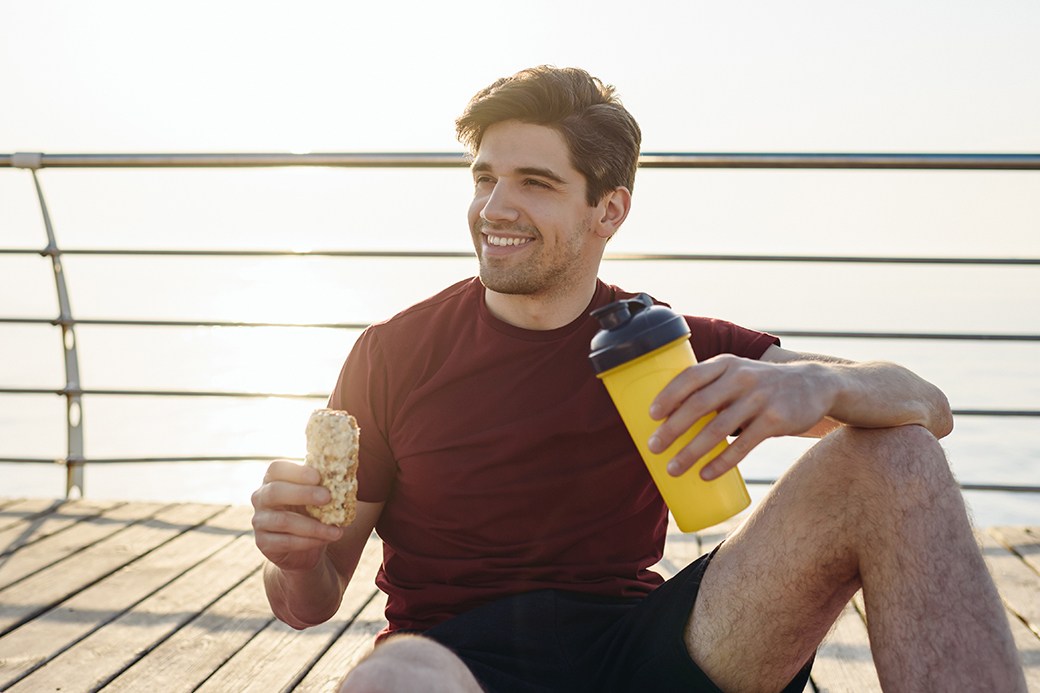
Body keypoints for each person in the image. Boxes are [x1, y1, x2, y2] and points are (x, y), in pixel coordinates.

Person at [251, 66, 1026, 692]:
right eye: (485, 177)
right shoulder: (394, 353)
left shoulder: (662, 342)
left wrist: (819, 387)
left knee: (897, 456)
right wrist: (290, 559)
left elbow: (929, 404)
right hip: (458, 656)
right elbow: (309, 603)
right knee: (396, 680)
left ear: (609, 209)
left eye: (535, 182)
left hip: (647, 646)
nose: (495, 206)